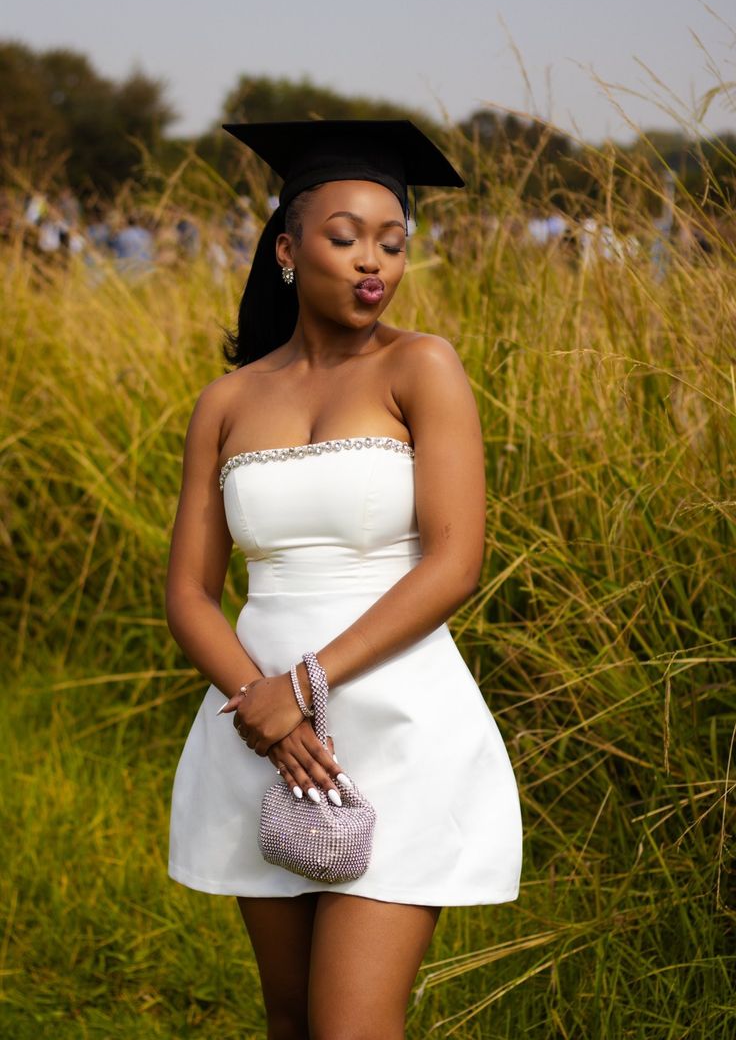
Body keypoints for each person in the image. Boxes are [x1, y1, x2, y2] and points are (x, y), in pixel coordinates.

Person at [165, 119, 523, 1040]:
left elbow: (454, 561)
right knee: (288, 1019)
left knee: (350, 1027)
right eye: (346, 236)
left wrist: (305, 687)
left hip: (397, 724)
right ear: (287, 248)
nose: (375, 260)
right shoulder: (230, 399)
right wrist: (262, 704)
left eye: (393, 242)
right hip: (257, 736)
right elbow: (190, 592)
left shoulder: (422, 366)